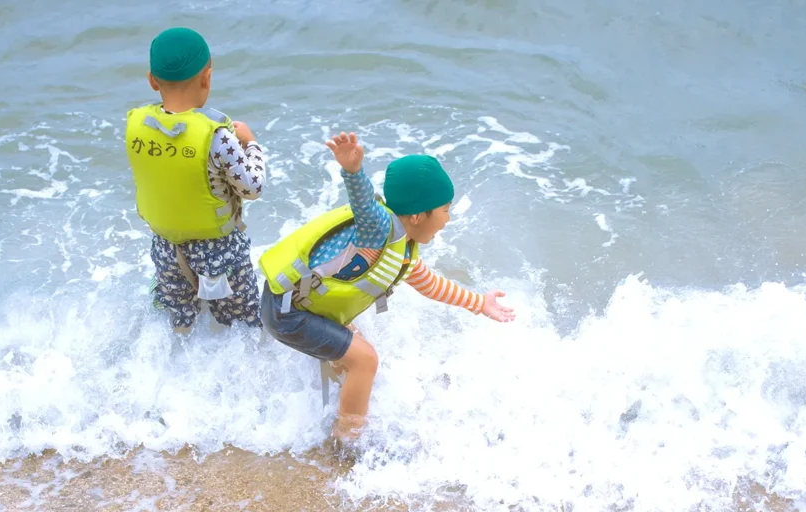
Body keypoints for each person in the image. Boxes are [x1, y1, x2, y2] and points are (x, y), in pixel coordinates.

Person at [258, 131, 515, 443]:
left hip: (300, 306)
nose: (448, 219)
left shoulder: (402, 250)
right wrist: (353, 170)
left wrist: (479, 303)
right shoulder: (379, 229)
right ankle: (348, 440)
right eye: (445, 209)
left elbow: (431, 285)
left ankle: (331, 414)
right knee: (365, 359)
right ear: (419, 215)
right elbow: (364, 203)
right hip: (288, 312)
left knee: (353, 348)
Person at [125, 27, 266, 332]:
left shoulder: (137, 125)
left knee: (182, 322)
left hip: (167, 249)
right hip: (219, 252)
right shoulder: (218, 137)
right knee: (242, 324)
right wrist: (251, 143)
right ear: (207, 77)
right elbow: (252, 187)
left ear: (152, 80)